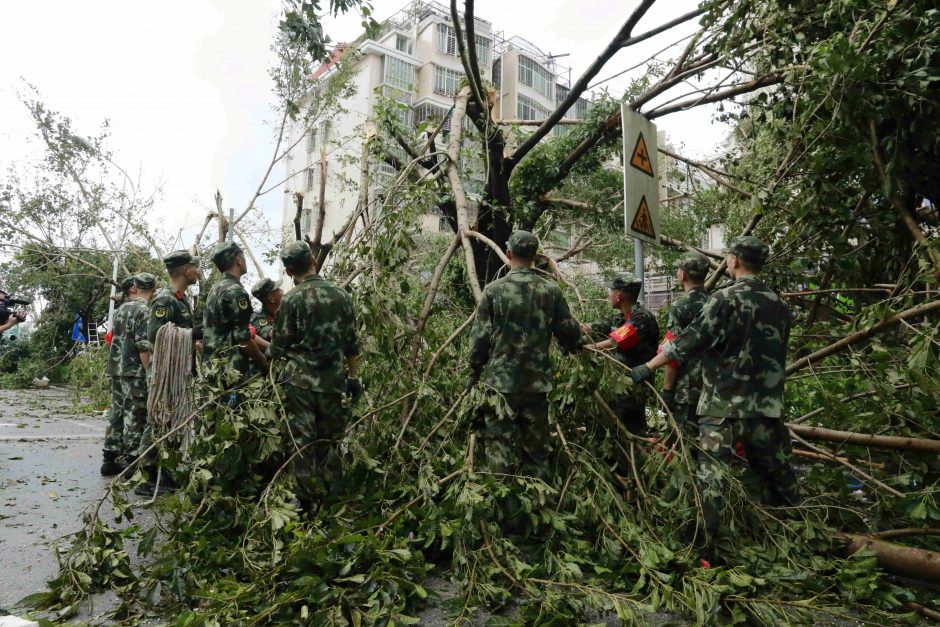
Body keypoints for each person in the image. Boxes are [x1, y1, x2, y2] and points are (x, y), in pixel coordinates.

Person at [631, 236, 798, 563]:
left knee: (712, 478)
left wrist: (647, 367)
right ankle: (792, 536)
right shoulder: (779, 304)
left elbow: (687, 342)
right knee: (778, 474)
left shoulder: (722, 300)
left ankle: (707, 551)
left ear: (733, 260)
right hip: (767, 406)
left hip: (723, 406)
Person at [466, 230, 582, 484]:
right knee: (537, 454)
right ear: (535, 257)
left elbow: (479, 341)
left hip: (500, 388)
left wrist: (472, 375)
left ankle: (503, 509)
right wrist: (579, 340)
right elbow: (568, 332)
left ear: (508, 254)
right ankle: (540, 510)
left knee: (499, 453)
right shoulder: (550, 291)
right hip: (535, 387)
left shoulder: (493, 291)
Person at [269, 240, 361, 512]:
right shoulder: (341, 295)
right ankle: (332, 499)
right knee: (330, 442)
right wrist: (354, 378)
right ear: (314, 260)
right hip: (334, 382)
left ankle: (307, 501)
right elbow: (352, 343)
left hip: (301, 383)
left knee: (303, 442)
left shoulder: (292, 300)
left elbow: (279, 346)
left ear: (288, 272)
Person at [581, 275, 659, 435]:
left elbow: (617, 341)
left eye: (611, 291)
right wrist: (578, 327)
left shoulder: (641, 317)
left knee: (630, 428)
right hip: (618, 384)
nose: (609, 294)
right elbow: (599, 327)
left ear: (620, 295)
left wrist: (589, 348)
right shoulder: (621, 317)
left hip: (633, 386)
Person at [202, 241, 267, 387]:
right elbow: (242, 337)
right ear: (238, 260)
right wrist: (264, 362)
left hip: (213, 368)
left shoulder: (216, 288)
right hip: (229, 373)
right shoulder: (235, 292)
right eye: (243, 257)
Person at [660, 253, 711, 439]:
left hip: (686, 392)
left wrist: (667, 390)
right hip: (713, 388)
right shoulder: (716, 303)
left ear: (683, 275)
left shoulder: (680, 306)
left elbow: (673, 351)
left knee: (686, 445)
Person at [115, 273, 155, 469]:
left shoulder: (122, 308)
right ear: (153, 289)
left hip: (121, 368)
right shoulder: (144, 310)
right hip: (137, 371)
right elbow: (143, 346)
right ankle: (133, 463)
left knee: (126, 414)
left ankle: (124, 457)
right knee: (137, 416)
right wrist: (150, 372)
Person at [101, 275, 137, 476]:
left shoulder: (120, 310)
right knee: (134, 413)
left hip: (117, 367)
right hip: (133, 369)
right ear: (133, 289)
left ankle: (110, 458)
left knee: (117, 412)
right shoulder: (139, 309)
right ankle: (132, 460)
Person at [147, 250, 200, 345]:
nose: (197, 271)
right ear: (186, 271)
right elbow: (154, 335)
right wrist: (190, 334)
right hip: (169, 360)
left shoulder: (182, 298)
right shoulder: (165, 300)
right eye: (195, 266)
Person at [250, 277, 282, 343]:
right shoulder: (257, 317)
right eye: (278, 289)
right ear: (272, 299)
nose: (282, 290)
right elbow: (272, 334)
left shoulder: (283, 311)